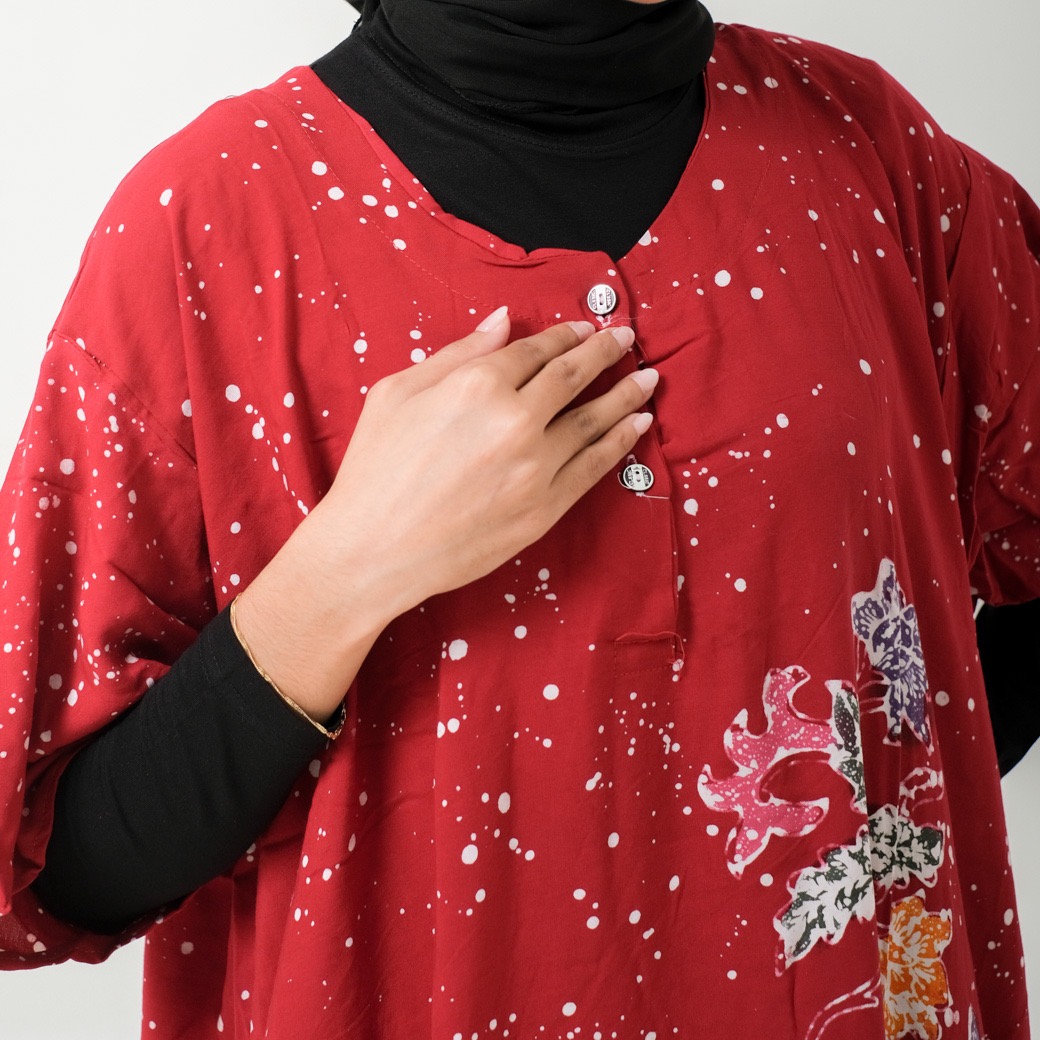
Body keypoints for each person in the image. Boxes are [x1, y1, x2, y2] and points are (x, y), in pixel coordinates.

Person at [0, 0, 1037, 1037]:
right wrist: (342, 573)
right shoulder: (208, 222)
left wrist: (891, 778)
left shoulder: (867, 149)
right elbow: (42, 867)